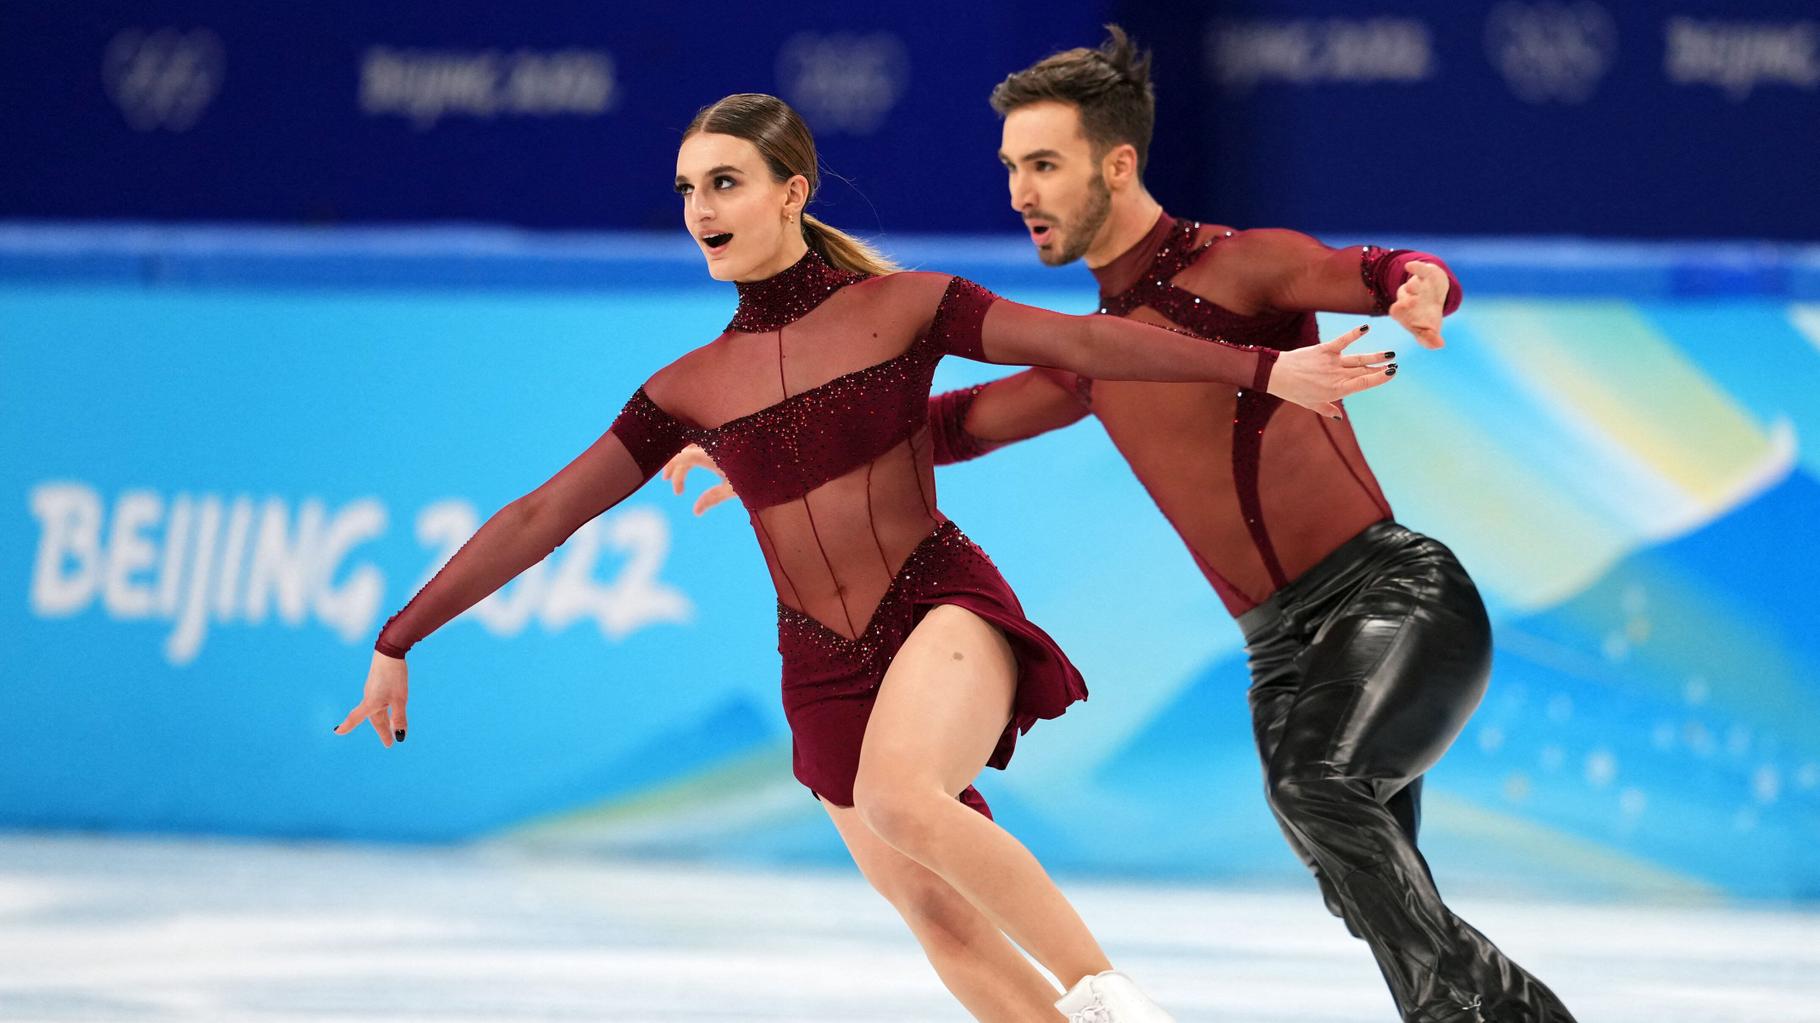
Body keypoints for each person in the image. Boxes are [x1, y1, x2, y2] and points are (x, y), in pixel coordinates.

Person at [333, 92, 1392, 1023]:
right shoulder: (686, 388)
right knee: (938, 918)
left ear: (790, 191)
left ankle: (1113, 999)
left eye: (726, 183)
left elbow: (1085, 343)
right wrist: (399, 637)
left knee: (903, 798)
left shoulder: (906, 306)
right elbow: (540, 514)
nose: (701, 208)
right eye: (688, 188)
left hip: (937, 604)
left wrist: (1262, 369)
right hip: (819, 661)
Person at [667, 31, 1577, 1023]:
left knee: (1318, 791)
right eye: (1011, 167)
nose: (1019, 191)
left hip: (1392, 598)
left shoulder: (1240, 269)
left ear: (1116, 164)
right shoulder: (1092, 357)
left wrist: (1419, 287)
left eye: (1044, 165)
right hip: (1278, 651)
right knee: (1358, 877)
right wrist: (764, 450)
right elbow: (946, 429)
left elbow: (1380, 268)